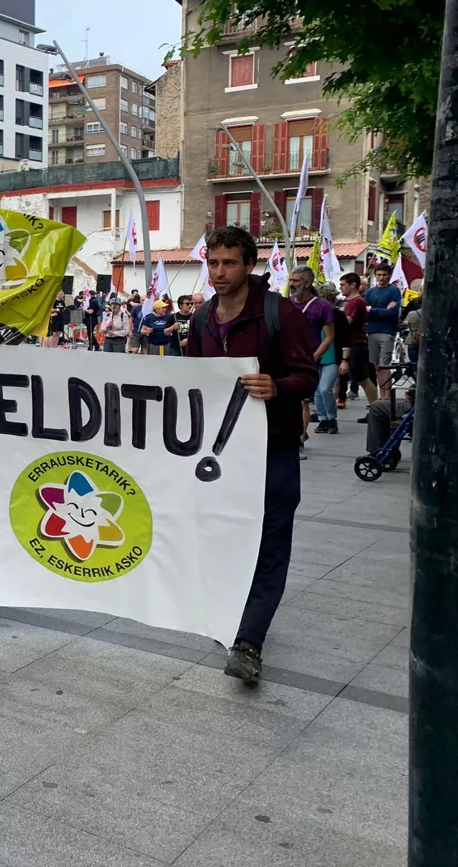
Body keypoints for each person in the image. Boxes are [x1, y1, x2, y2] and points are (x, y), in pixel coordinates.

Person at [185, 227, 318, 685]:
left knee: (271, 543)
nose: (219, 273)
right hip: (219, 456)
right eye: (214, 263)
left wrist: (277, 386)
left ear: (249, 266)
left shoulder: (281, 314)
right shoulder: (201, 318)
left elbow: (308, 374)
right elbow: (191, 382)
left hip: (273, 450)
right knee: (223, 538)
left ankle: (249, 642)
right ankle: (231, 617)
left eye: (229, 263)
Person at [288, 266, 336, 451]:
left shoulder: (322, 306)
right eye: (291, 280)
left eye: (296, 281)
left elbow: (330, 336)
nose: (292, 284)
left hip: (308, 359)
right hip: (287, 357)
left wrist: (314, 357)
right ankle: (297, 431)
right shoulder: (287, 303)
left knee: (303, 400)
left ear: (307, 283)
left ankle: (299, 439)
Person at [312, 283, 348, 435]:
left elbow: (346, 339)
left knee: (325, 388)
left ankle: (332, 418)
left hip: (332, 356)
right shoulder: (313, 313)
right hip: (315, 356)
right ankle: (323, 419)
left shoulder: (338, 315)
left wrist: (345, 360)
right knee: (317, 391)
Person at [338, 272, 378, 409]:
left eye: (343, 285)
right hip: (349, 344)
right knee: (338, 379)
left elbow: (346, 322)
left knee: (362, 379)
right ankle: (327, 413)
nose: (340, 288)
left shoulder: (356, 302)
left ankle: (375, 409)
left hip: (356, 344)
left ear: (353, 285)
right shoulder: (349, 302)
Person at [364, 262, 401, 395]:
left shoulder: (394, 291)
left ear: (389, 276)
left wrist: (373, 310)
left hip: (387, 331)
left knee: (385, 365)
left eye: (384, 275)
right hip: (372, 331)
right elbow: (364, 311)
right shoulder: (369, 292)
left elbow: (393, 312)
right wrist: (382, 310)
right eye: (379, 275)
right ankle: (382, 395)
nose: (381, 277)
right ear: (375, 275)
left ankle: (387, 396)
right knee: (376, 366)